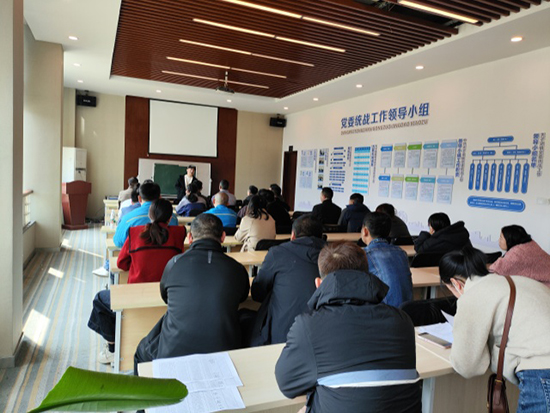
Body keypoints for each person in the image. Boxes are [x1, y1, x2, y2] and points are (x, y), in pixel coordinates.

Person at [275, 242, 421, 412]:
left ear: (319, 284)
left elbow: (287, 385)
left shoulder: (308, 327)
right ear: (368, 275)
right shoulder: (403, 321)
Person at [439, 246, 550, 413]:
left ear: (456, 283)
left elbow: (467, 366)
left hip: (542, 373)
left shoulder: (473, 295)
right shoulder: (519, 281)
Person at [134, 214, 250, 371]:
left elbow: (165, 296)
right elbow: (242, 296)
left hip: (173, 353)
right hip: (224, 352)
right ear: (223, 237)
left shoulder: (174, 263)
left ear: (189, 238)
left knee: (141, 352)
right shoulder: (237, 268)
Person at [87, 199, 186, 364]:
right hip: (168, 295)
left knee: (100, 299)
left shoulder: (135, 233)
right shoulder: (178, 233)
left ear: (149, 215)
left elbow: (121, 264)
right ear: (170, 218)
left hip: (136, 295)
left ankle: (112, 348)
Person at [250, 215, 326, 345]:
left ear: (293, 235)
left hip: (281, 337)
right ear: (322, 236)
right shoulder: (334, 256)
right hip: (323, 337)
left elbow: (257, 293)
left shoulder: (277, 253)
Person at [361, 212, 412, 308]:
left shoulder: (364, 255)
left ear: (365, 231)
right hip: (407, 310)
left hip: (385, 312)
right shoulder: (401, 252)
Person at [113, 182, 178, 248]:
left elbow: (118, 242)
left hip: (138, 254)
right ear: (160, 197)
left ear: (139, 198)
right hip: (167, 254)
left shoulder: (128, 218)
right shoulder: (171, 217)